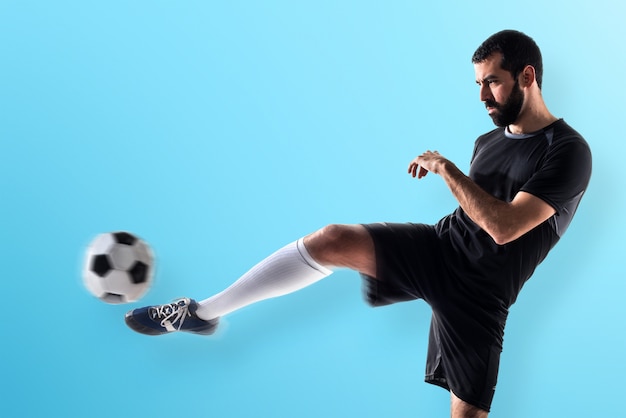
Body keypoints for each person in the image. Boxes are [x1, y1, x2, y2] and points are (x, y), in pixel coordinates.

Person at [125, 30, 592, 417]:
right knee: (332, 238)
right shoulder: (486, 140)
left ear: (527, 75)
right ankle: (201, 313)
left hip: (482, 295)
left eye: (492, 82)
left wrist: (446, 170)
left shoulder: (568, 151)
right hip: (439, 250)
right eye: (477, 84)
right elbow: (472, 217)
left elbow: (504, 227)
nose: (483, 96)